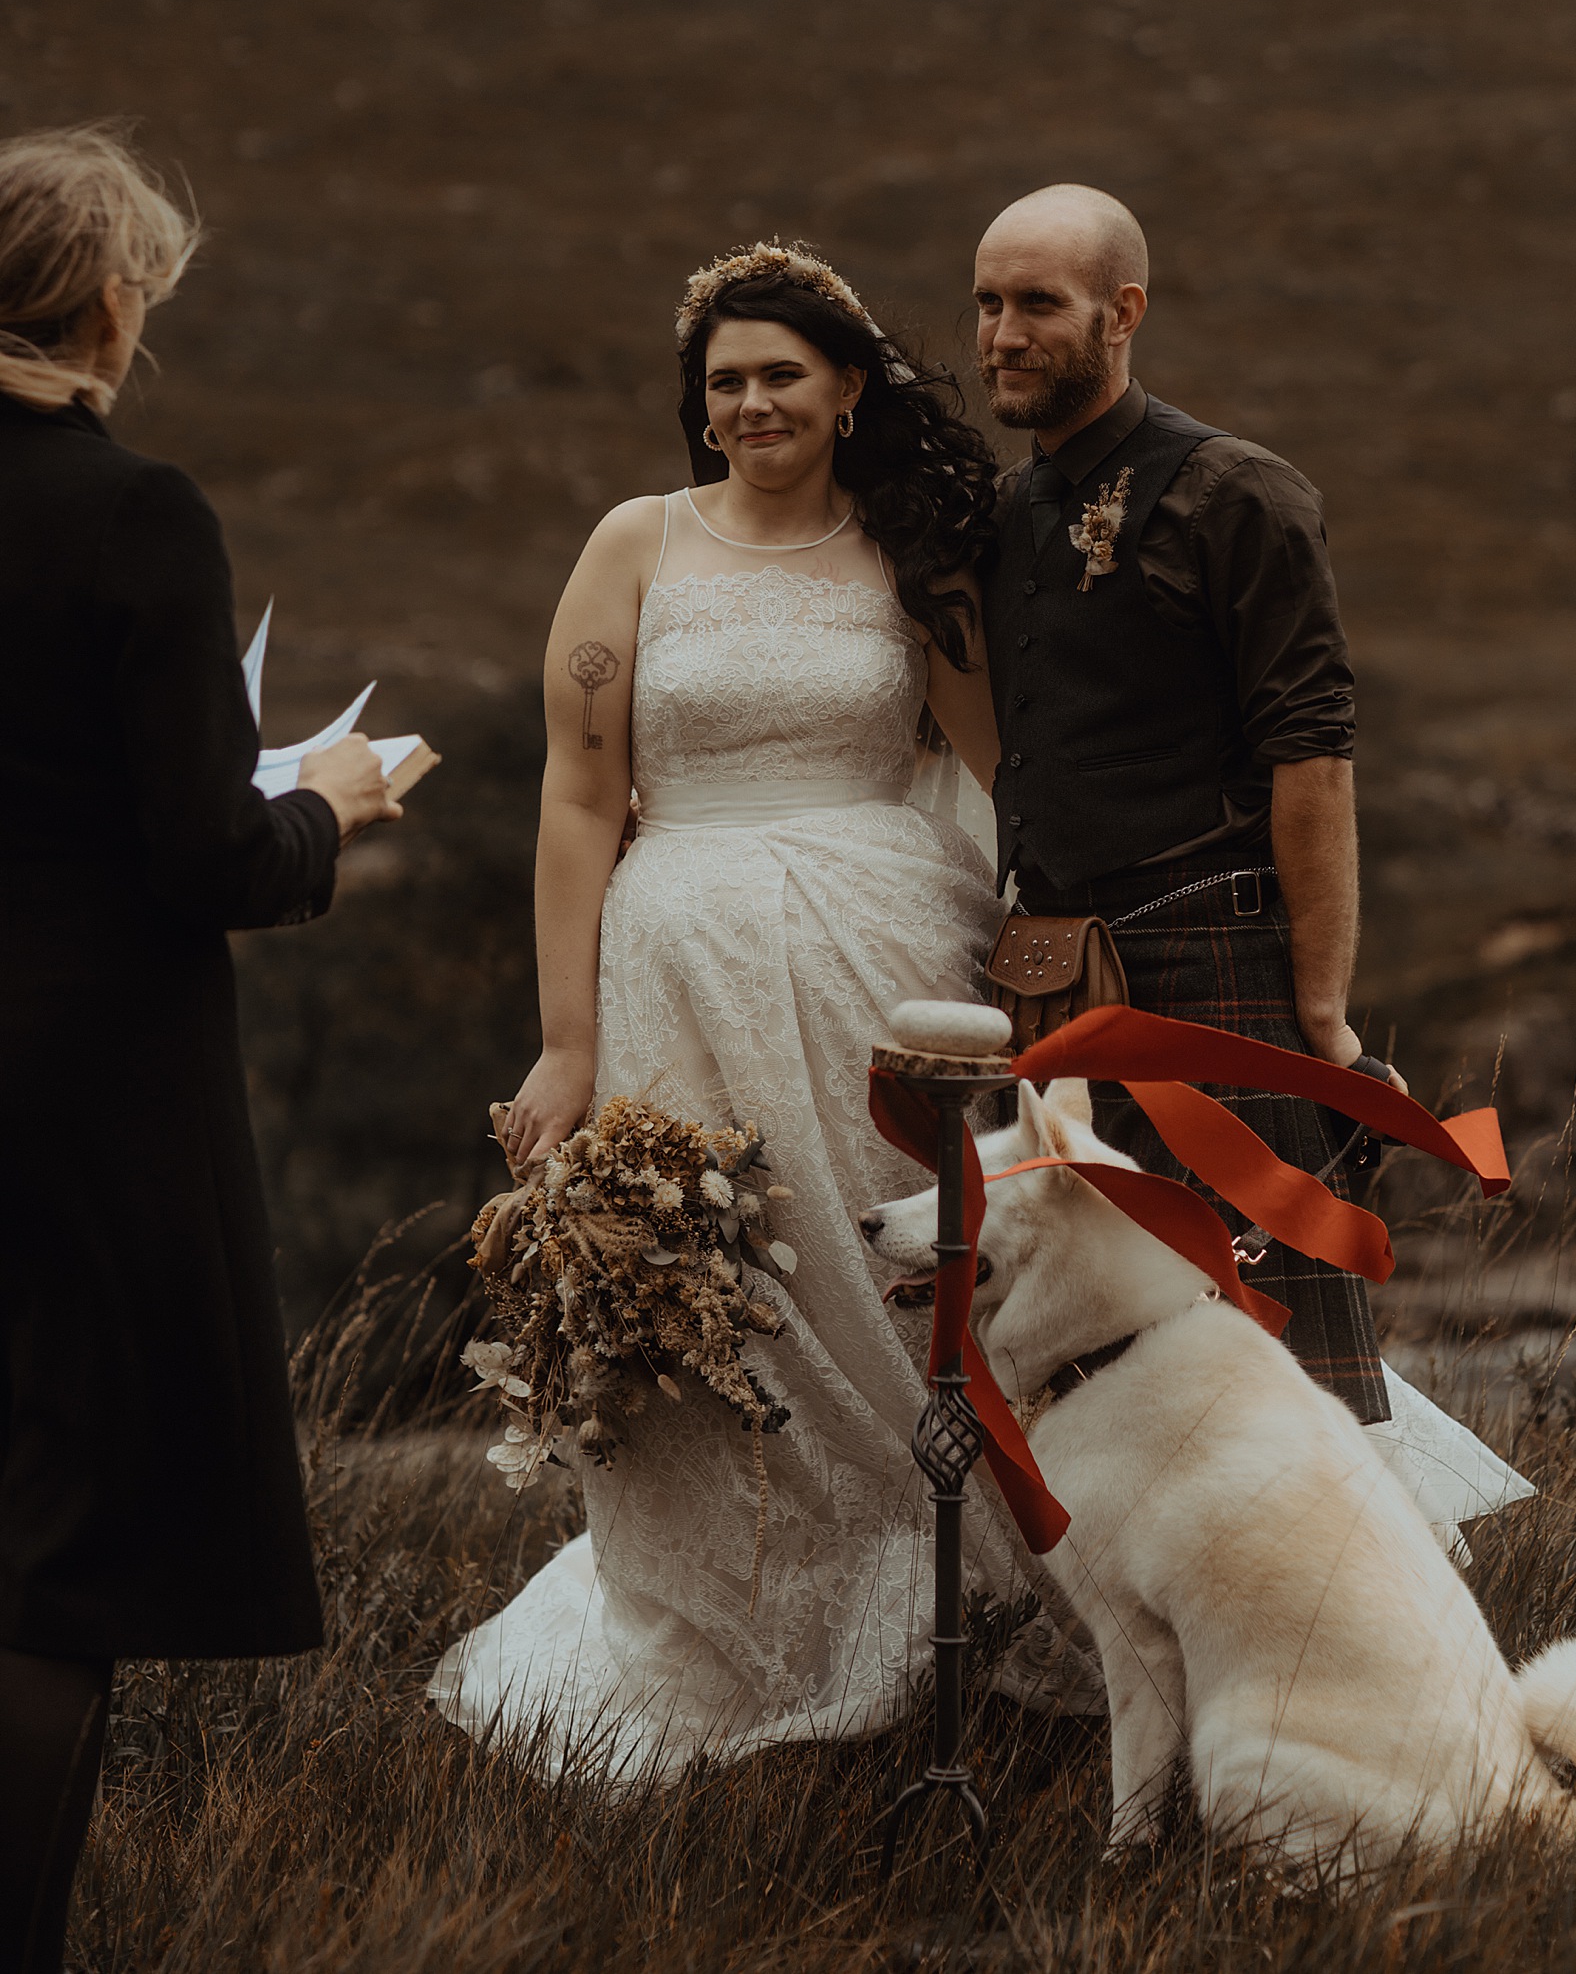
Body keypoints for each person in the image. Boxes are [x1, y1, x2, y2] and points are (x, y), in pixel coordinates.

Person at [429, 241, 1098, 1782]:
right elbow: (579, 793)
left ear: (848, 387)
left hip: (888, 966)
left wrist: (1063, 950)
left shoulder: (913, 554)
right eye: (722, 381)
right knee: (724, 1302)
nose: (750, 404)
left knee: (901, 1284)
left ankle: (978, 1619)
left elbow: (1006, 770)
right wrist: (568, 1042)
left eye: (780, 375)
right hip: (676, 973)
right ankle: (736, 1655)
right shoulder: (635, 546)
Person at [0, 125, 399, 1974]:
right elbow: (204, 854)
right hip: (80, 1096)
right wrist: (327, 799)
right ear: (108, 299)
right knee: (57, 1542)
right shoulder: (132, 516)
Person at [975, 181, 1401, 1423]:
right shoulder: (1005, 514)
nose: (1002, 332)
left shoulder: (1238, 494)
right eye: (987, 303)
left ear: (1123, 312)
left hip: (1217, 966)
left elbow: (1312, 757)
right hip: (1055, 985)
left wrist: (1318, 1015)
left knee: (1284, 1377)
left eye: (1037, 304)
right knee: (1103, 1384)